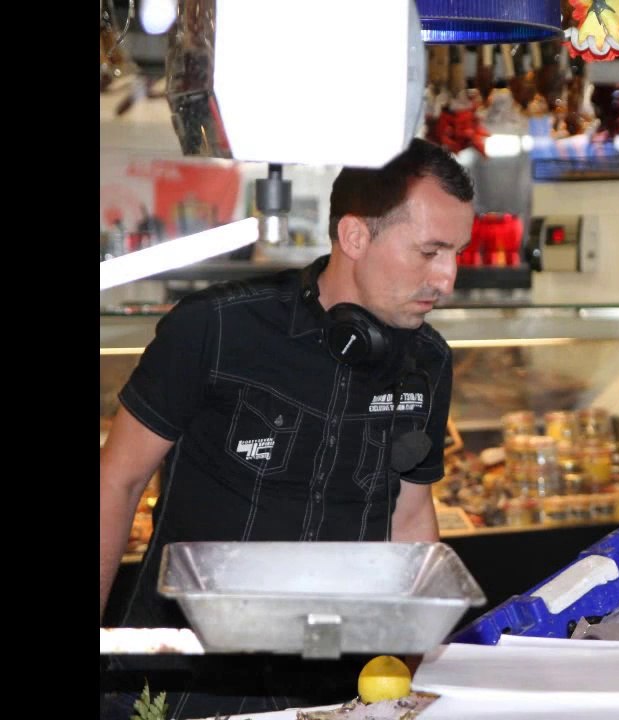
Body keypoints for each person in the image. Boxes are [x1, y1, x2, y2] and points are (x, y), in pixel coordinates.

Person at [100, 138, 475, 718]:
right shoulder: (216, 327)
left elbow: (408, 518)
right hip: (183, 681)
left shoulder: (428, 361)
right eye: (430, 252)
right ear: (355, 236)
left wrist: (414, 671)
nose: (447, 279)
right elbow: (116, 482)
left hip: (339, 687)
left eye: (456, 254)